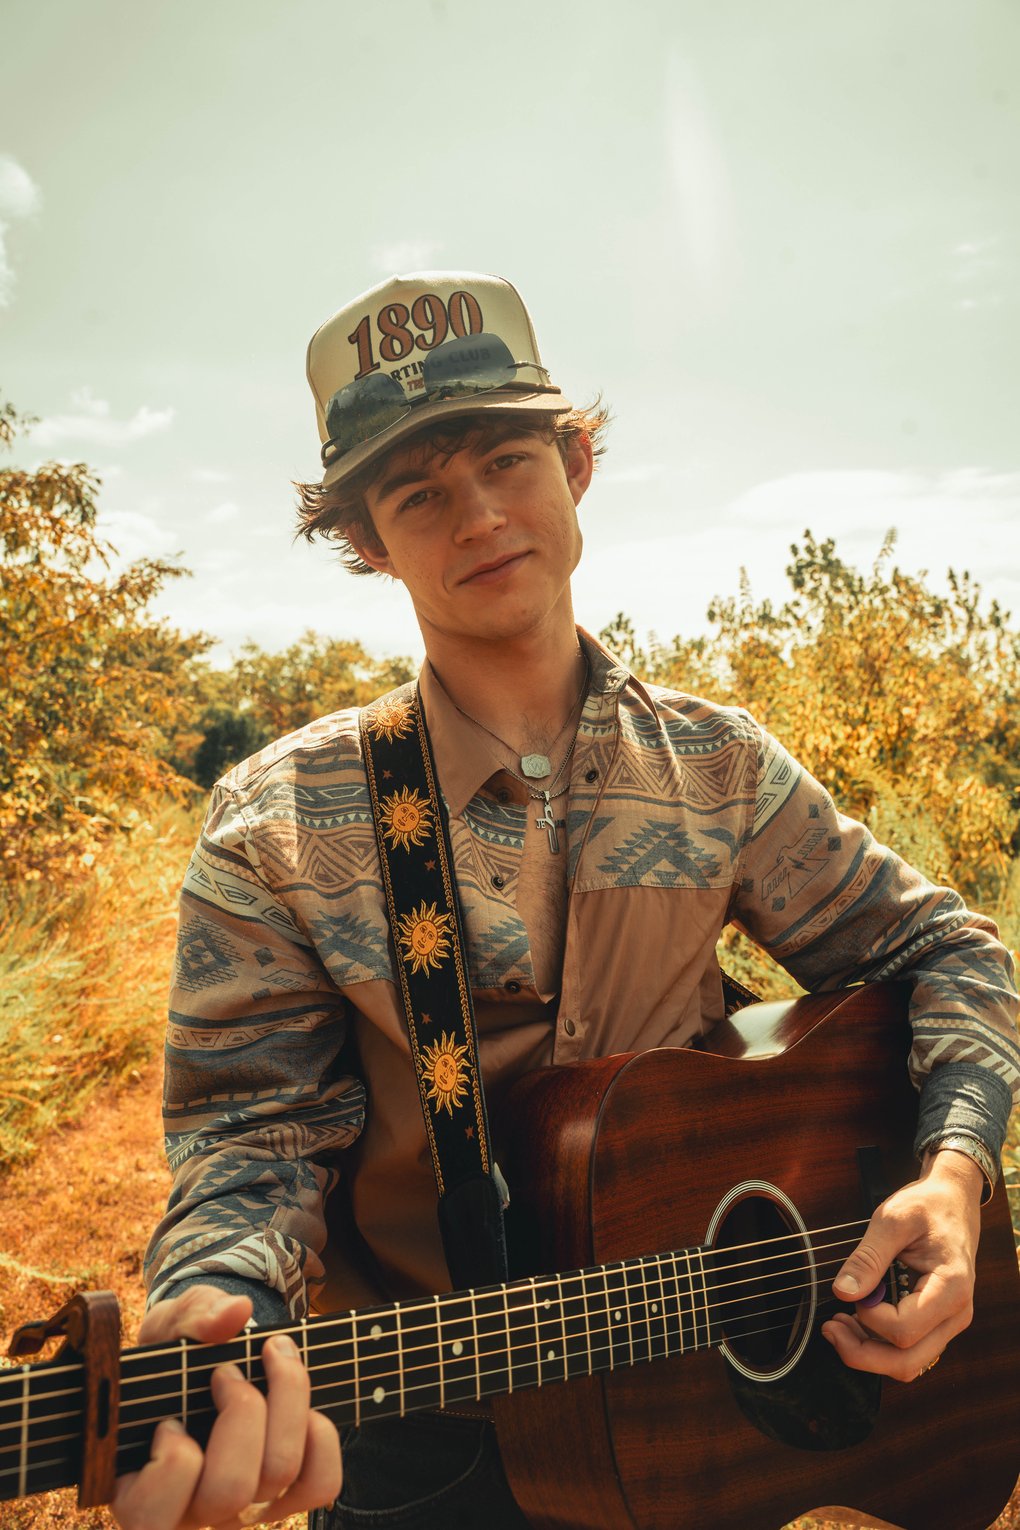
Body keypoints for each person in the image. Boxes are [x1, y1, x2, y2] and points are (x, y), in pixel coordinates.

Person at [112, 271, 1020, 1530]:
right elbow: (249, 1140)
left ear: (576, 463)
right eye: (418, 493)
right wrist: (219, 1304)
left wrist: (956, 1171)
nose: (479, 515)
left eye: (505, 458)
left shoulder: (719, 766)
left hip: (715, 1417)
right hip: (428, 1439)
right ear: (367, 541)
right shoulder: (278, 826)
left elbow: (946, 951)